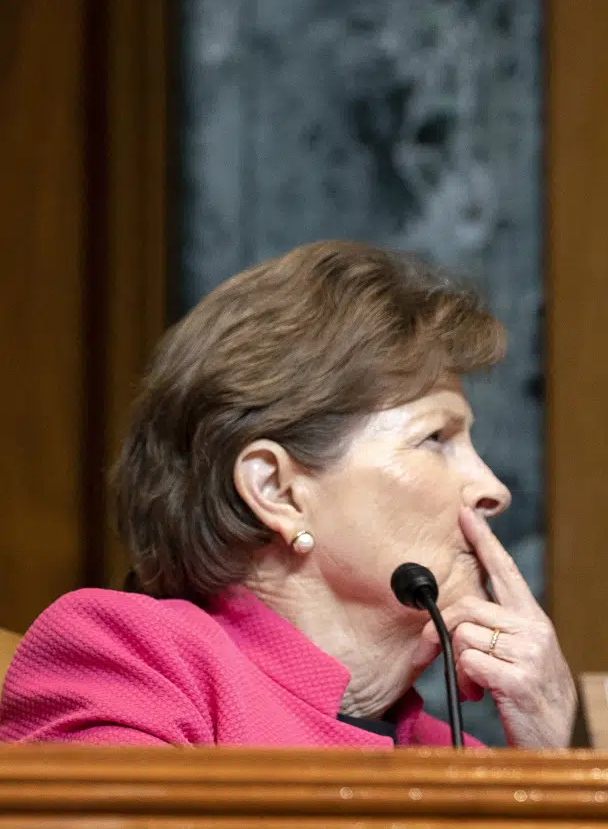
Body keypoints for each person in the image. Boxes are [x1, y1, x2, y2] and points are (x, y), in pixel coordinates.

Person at [0, 241, 575, 747]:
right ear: (277, 490)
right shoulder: (134, 664)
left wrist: (550, 771)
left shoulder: (461, 762)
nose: (494, 490)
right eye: (435, 439)